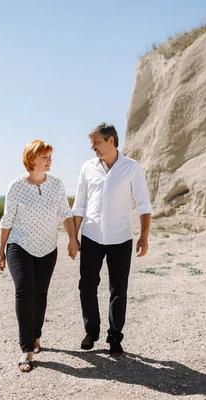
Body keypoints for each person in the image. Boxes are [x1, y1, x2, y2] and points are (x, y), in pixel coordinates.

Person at [0, 139, 80, 372]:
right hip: (19, 246)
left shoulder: (56, 184)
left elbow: (65, 213)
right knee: (24, 290)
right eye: (45, 157)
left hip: (47, 248)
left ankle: (36, 336)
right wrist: (0, 251)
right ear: (31, 159)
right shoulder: (16, 186)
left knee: (40, 293)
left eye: (50, 156)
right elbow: (7, 221)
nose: (49, 160)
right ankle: (27, 349)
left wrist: (72, 239)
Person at [72, 122, 152, 356]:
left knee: (118, 289)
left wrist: (143, 236)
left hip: (121, 238)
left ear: (111, 141)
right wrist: (73, 238)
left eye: (96, 142)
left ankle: (114, 338)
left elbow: (144, 203)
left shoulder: (132, 168)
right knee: (86, 285)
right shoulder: (87, 168)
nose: (92, 147)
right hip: (91, 236)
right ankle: (91, 331)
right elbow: (79, 205)